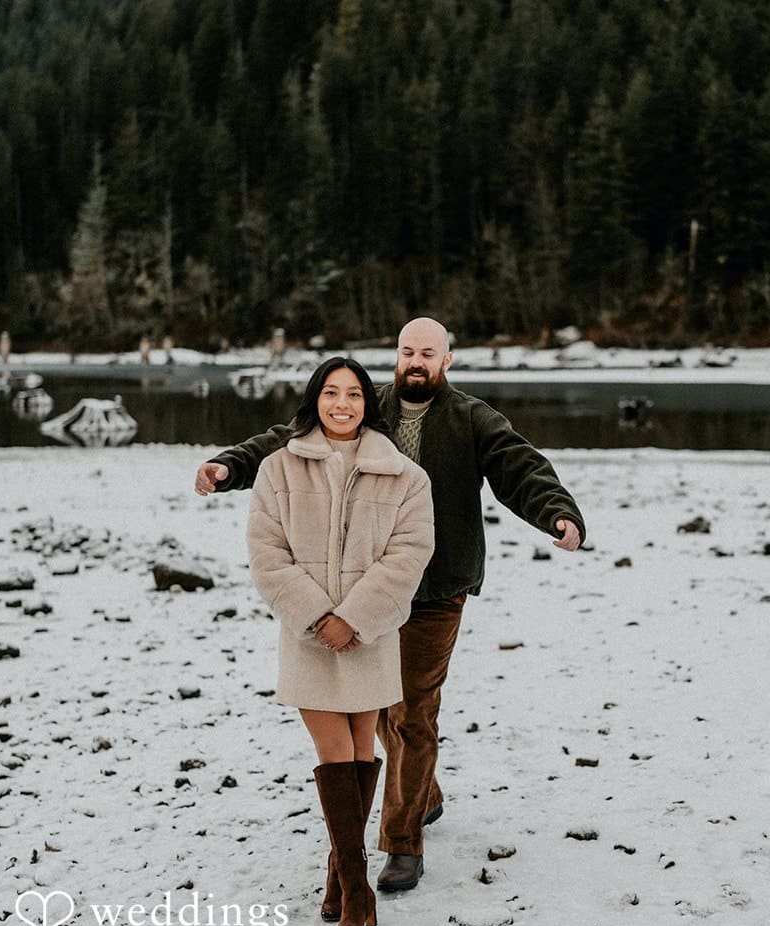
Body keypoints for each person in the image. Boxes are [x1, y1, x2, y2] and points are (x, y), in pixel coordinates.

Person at [199, 317, 585, 893]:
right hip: (360, 593)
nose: (416, 362)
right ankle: (421, 793)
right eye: (408, 351)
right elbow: (289, 436)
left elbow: (519, 465)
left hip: (435, 589)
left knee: (411, 711)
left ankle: (402, 843)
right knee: (377, 710)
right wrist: (230, 466)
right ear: (397, 357)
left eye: (428, 353)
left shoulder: (471, 419)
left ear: (447, 361)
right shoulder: (366, 404)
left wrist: (558, 512)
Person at [246, 356, 434, 926]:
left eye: (353, 394)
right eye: (331, 393)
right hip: (307, 636)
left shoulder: (405, 476)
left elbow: (409, 556)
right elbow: (267, 556)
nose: (343, 404)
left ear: (366, 404)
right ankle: (358, 890)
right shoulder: (278, 469)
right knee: (334, 752)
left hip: (371, 635)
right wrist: (319, 617)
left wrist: (353, 618)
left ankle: (338, 877)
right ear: (315, 399)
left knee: (359, 750)